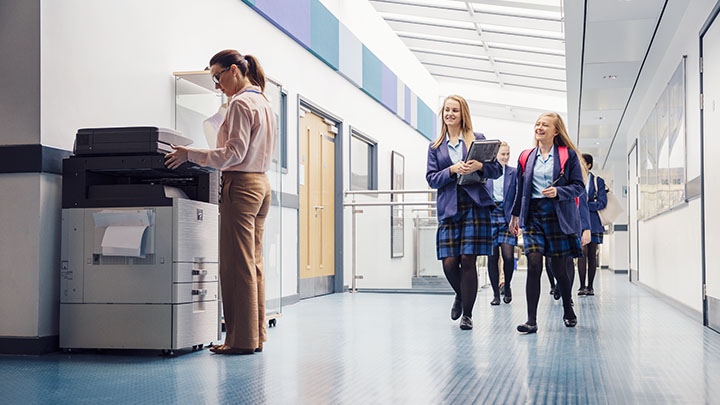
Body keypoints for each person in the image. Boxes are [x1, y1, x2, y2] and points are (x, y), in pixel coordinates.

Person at [165, 49, 276, 354]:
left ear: (233, 71)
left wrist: (190, 154)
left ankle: (239, 342)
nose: (217, 85)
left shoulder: (240, 103)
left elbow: (233, 153)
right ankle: (255, 338)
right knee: (252, 264)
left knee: (235, 266)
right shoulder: (264, 101)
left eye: (218, 76)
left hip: (240, 185)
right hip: (262, 185)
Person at [426, 95, 502, 330]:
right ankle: (460, 294)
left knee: (468, 259)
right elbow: (431, 179)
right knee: (449, 262)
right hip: (449, 207)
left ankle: (467, 314)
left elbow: (496, 170)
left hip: (474, 206)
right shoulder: (435, 147)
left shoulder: (476, 139)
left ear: (462, 114)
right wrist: (451, 169)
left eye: (455, 110)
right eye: (447, 110)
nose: (450, 114)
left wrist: (480, 166)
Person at [509, 112, 586, 334]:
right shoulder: (526, 156)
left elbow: (578, 186)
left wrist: (559, 191)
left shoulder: (567, 155)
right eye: (537, 124)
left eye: (545, 125)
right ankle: (531, 320)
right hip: (533, 216)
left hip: (557, 215)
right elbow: (519, 191)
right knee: (533, 264)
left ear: (555, 131)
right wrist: (515, 216)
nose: (539, 127)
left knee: (559, 267)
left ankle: (567, 306)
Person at [485, 141, 517, 305]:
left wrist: (517, 217)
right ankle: (496, 294)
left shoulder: (514, 172)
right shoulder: (487, 172)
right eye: (502, 154)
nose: (505, 157)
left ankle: (508, 284)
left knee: (508, 256)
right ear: (495, 155)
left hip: (508, 217)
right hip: (490, 216)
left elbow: (519, 197)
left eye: (507, 154)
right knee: (492, 257)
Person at [578, 153, 607, 296]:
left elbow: (602, 203)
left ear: (589, 165)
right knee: (581, 253)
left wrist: (584, 205)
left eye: (583, 163)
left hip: (594, 222)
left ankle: (590, 286)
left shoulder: (597, 181)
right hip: (579, 222)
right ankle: (582, 286)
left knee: (591, 254)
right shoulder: (575, 180)